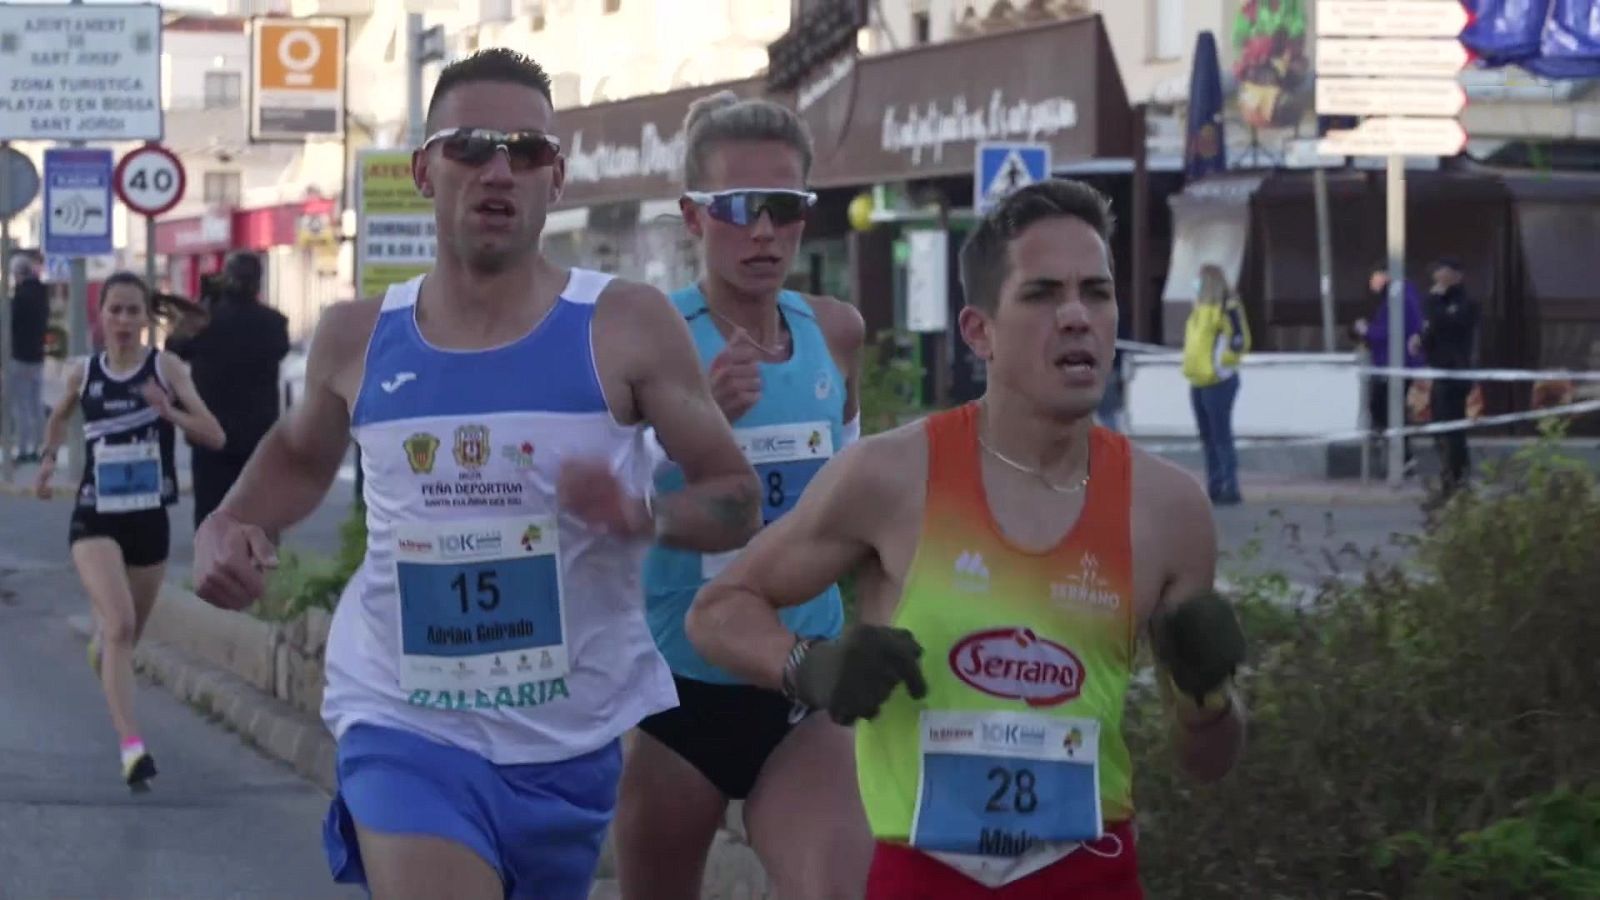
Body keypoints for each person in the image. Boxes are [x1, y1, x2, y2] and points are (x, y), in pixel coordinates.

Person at [187, 49, 761, 900]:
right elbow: (299, 455)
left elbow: (735, 498)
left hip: (567, 742)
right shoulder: (357, 337)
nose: (500, 170)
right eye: (472, 147)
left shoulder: (623, 325)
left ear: (556, 178)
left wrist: (646, 520)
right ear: (425, 170)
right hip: (401, 715)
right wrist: (228, 523)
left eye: (527, 152)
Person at [687, 179, 1248, 899]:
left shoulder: (1168, 510)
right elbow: (718, 610)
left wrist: (1208, 700)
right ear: (979, 330)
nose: (1076, 316)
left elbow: (1209, 761)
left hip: (1089, 877)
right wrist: (811, 667)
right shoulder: (892, 476)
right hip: (924, 876)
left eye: (1096, 293)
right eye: (1043, 294)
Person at [615, 91, 872, 900]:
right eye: (737, 208)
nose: (763, 231)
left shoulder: (837, 332)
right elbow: (594, 512)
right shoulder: (649, 338)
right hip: (678, 693)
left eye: (784, 206)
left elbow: (857, 501)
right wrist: (685, 434)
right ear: (693, 217)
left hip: (803, 684)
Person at [33, 272, 226, 789]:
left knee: (124, 638)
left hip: (148, 520)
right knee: (118, 624)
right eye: (113, 311)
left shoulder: (167, 368)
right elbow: (58, 418)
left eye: (131, 311)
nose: (121, 321)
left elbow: (214, 433)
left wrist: (171, 413)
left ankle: (104, 650)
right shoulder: (84, 372)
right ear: (101, 317)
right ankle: (131, 746)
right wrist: (49, 459)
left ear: (146, 318)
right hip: (95, 515)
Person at [165, 252, 290, 530]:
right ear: (259, 283)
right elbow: (280, 351)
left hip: (209, 431)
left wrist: (204, 304)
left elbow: (174, 347)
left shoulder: (205, 321)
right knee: (256, 513)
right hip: (258, 433)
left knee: (210, 513)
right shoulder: (274, 323)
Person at [1180, 263, 1250, 505]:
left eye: (1199, 279)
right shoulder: (1198, 310)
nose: (1195, 284)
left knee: (1221, 436)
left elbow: (1239, 341)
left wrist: (1222, 367)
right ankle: (1215, 485)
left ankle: (1230, 487)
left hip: (1218, 382)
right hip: (1198, 380)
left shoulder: (1226, 308)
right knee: (1207, 437)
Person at [1410, 258, 1478, 494]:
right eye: (1437, 273)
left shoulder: (1464, 302)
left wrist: (1434, 300)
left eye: (1444, 273)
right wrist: (1420, 341)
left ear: (1457, 275)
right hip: (1439, 372)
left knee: (1453, 429)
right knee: (1439, 428)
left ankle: (1457, 476)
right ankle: (1450, 472)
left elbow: (1450, 325)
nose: (1439, 279)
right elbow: (1432, 329)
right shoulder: (1437, 303)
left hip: (1456, 372)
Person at [1352, 261, 1424, 472]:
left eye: (1374, 277)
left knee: (1385, 409)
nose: (1371, 283)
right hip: (1396, 362)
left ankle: (1402, 456)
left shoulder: (1396, 298)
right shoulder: (1403, 295)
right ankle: (1400, 456)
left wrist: (1365, 330)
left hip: (1393, 363)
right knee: (1390, 409)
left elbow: (1388, 331)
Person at [9, 252, 51, 463]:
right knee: (36, 404)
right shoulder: (42, 295)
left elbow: (10, 328)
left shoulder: (19, 298)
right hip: (38, 356)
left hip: (19, 357)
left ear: (18, 274)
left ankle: (24, 449)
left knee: (22, 406)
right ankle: (39, 447)